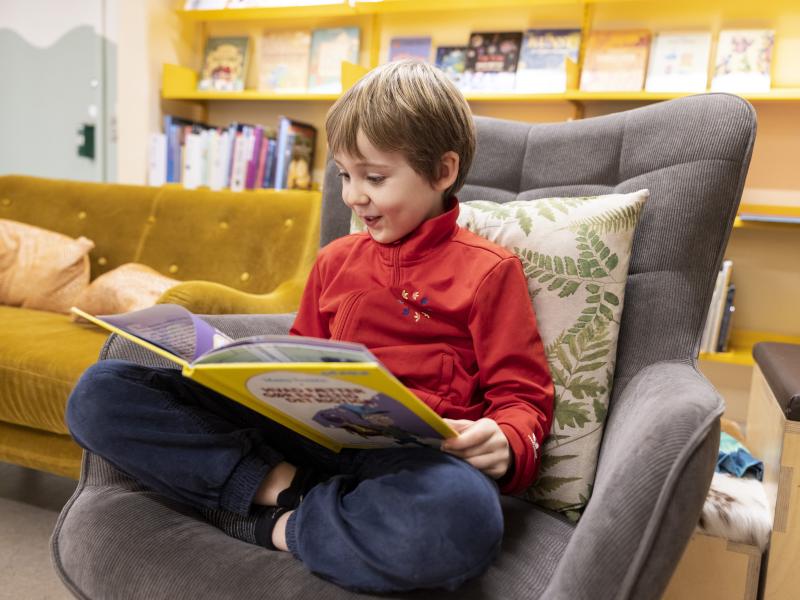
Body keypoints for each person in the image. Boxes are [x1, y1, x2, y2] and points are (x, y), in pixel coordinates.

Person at [66, 59, 554, 593]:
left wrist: (507, 440)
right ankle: (284, 493)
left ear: (442, 171)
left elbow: (523, 397)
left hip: (412, 461)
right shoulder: (336, 260)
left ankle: (278, 525)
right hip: (304, 441)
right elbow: (298, 358)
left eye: (374, 177)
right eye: (344, 175)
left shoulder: (489, 271)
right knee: (100, 392)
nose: (352, 196)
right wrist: (244, 372)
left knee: (465, 520)